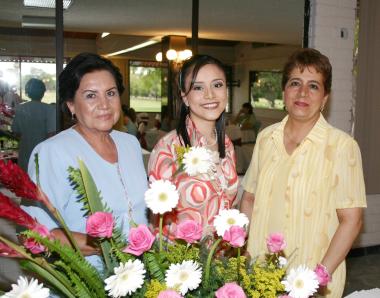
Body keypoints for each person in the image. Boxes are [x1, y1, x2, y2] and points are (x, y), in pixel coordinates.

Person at [240, 48, 366, 297]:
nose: (303, 93)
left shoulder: (342, 147)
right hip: (260, 272)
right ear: (284, 91)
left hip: (310, 279)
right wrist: (242, 253)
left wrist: (318, 277)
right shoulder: (266, 139)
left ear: (325, 97)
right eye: (295, 83)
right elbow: (249, 199)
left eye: (314, 86)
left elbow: (351, 221)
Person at [22, 53, 148, 269]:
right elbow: (34, 232)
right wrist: (105, 246)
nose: (104, 104)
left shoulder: (130, 144)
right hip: (87, 278)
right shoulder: (53, 152)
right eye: (91, 96)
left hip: (141, 273)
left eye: (111, 93)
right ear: (71, 104)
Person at [148, 55, 238, 238]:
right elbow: (156, 223)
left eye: (217, 85)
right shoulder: (169, 148)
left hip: (221, 260)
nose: (210, 94)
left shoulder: (227, 145)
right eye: (198, 87)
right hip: (180, 262)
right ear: (185, 97)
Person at [11, 78, 56, 171]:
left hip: (25, 151)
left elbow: (15, 131)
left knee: (25, 180)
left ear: (28, 93)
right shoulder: (49, 109)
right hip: (42, 153)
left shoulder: (20, 108)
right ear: (43, 92)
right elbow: (51, 135)